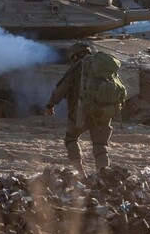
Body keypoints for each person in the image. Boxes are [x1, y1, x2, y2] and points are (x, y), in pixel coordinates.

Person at [44, 43, 118, 178]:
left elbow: (62, 88)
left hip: (81, 112)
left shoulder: (78, 67)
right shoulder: (102, 65)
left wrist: (50, 105)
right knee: (100, 144)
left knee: (71, 139)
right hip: (103, 111)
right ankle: (103, 175)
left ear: (75, 55)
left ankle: (81, 174)